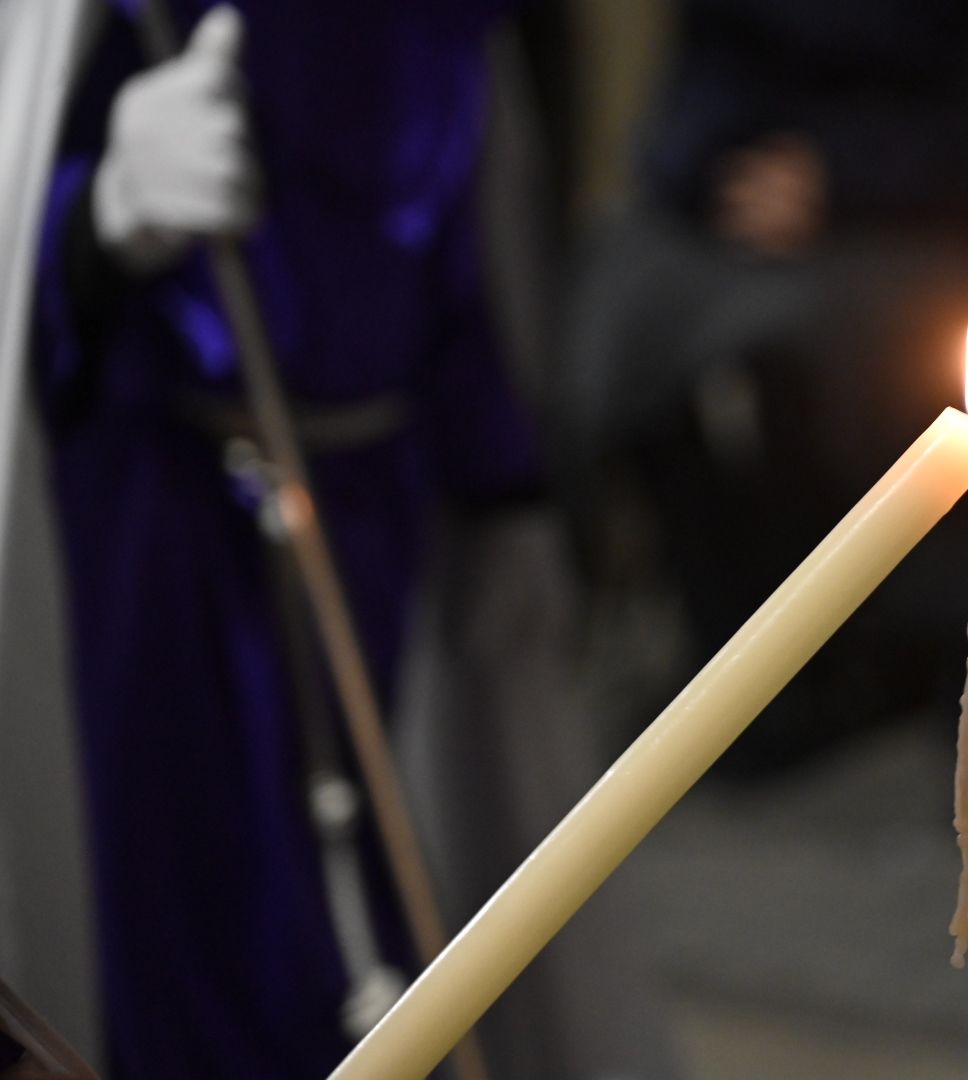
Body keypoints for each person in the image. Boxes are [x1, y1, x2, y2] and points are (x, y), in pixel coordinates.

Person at [32, 2, 551, 1075]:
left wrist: (504, 486)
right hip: (164, 504)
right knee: (189, 896)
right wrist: (98, 214)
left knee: (368, 892)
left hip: (376, 499)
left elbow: (459, 241)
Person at [556, 0, 968, 776]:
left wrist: (840, 175)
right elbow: (707, 63)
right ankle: (739, 656)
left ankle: (885, 642)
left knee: (848, 353)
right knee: (620, 330)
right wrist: (721, 167)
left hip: (927, 207)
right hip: (747, 197)